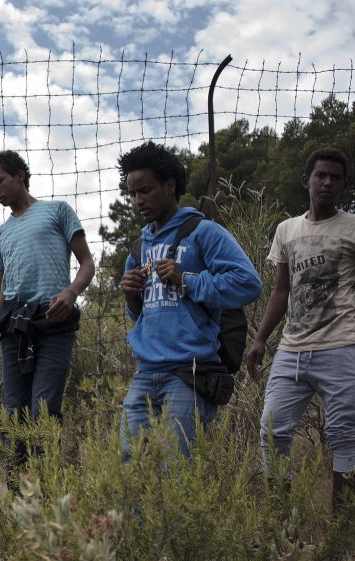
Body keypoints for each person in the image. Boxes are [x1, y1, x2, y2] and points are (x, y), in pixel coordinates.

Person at [247, 148, 355, 512]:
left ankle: (343, 531)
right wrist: (261, 339)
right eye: (321, 175)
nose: (327, 182)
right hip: (292, 351)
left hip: (341, 346)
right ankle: (282, 522)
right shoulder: (286, 230)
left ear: (343, 184)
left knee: (343, 435)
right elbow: (281, 291)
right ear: (306, 180)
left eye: (335, 177)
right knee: (272, 431)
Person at [119, 141, 262, 459]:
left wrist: (187, 279)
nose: (139, 200)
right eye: (133, 193)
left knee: (177, 473)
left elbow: (249, 284)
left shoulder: (204, 232)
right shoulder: (138, 247)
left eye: (146, 190)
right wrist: (131, 296)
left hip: (190, 375)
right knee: (129, 469)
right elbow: (139, 315)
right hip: (145, 373)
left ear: (169, 186)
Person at [0, 150, 94, 465]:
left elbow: (86, 263)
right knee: (13, 414)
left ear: (20, 175)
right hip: (14, 331)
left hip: (54, 324)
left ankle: (45, 495)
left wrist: (71, 293)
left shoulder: (57, 211)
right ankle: (18, 495)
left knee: (44, 411)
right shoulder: (1, 235)